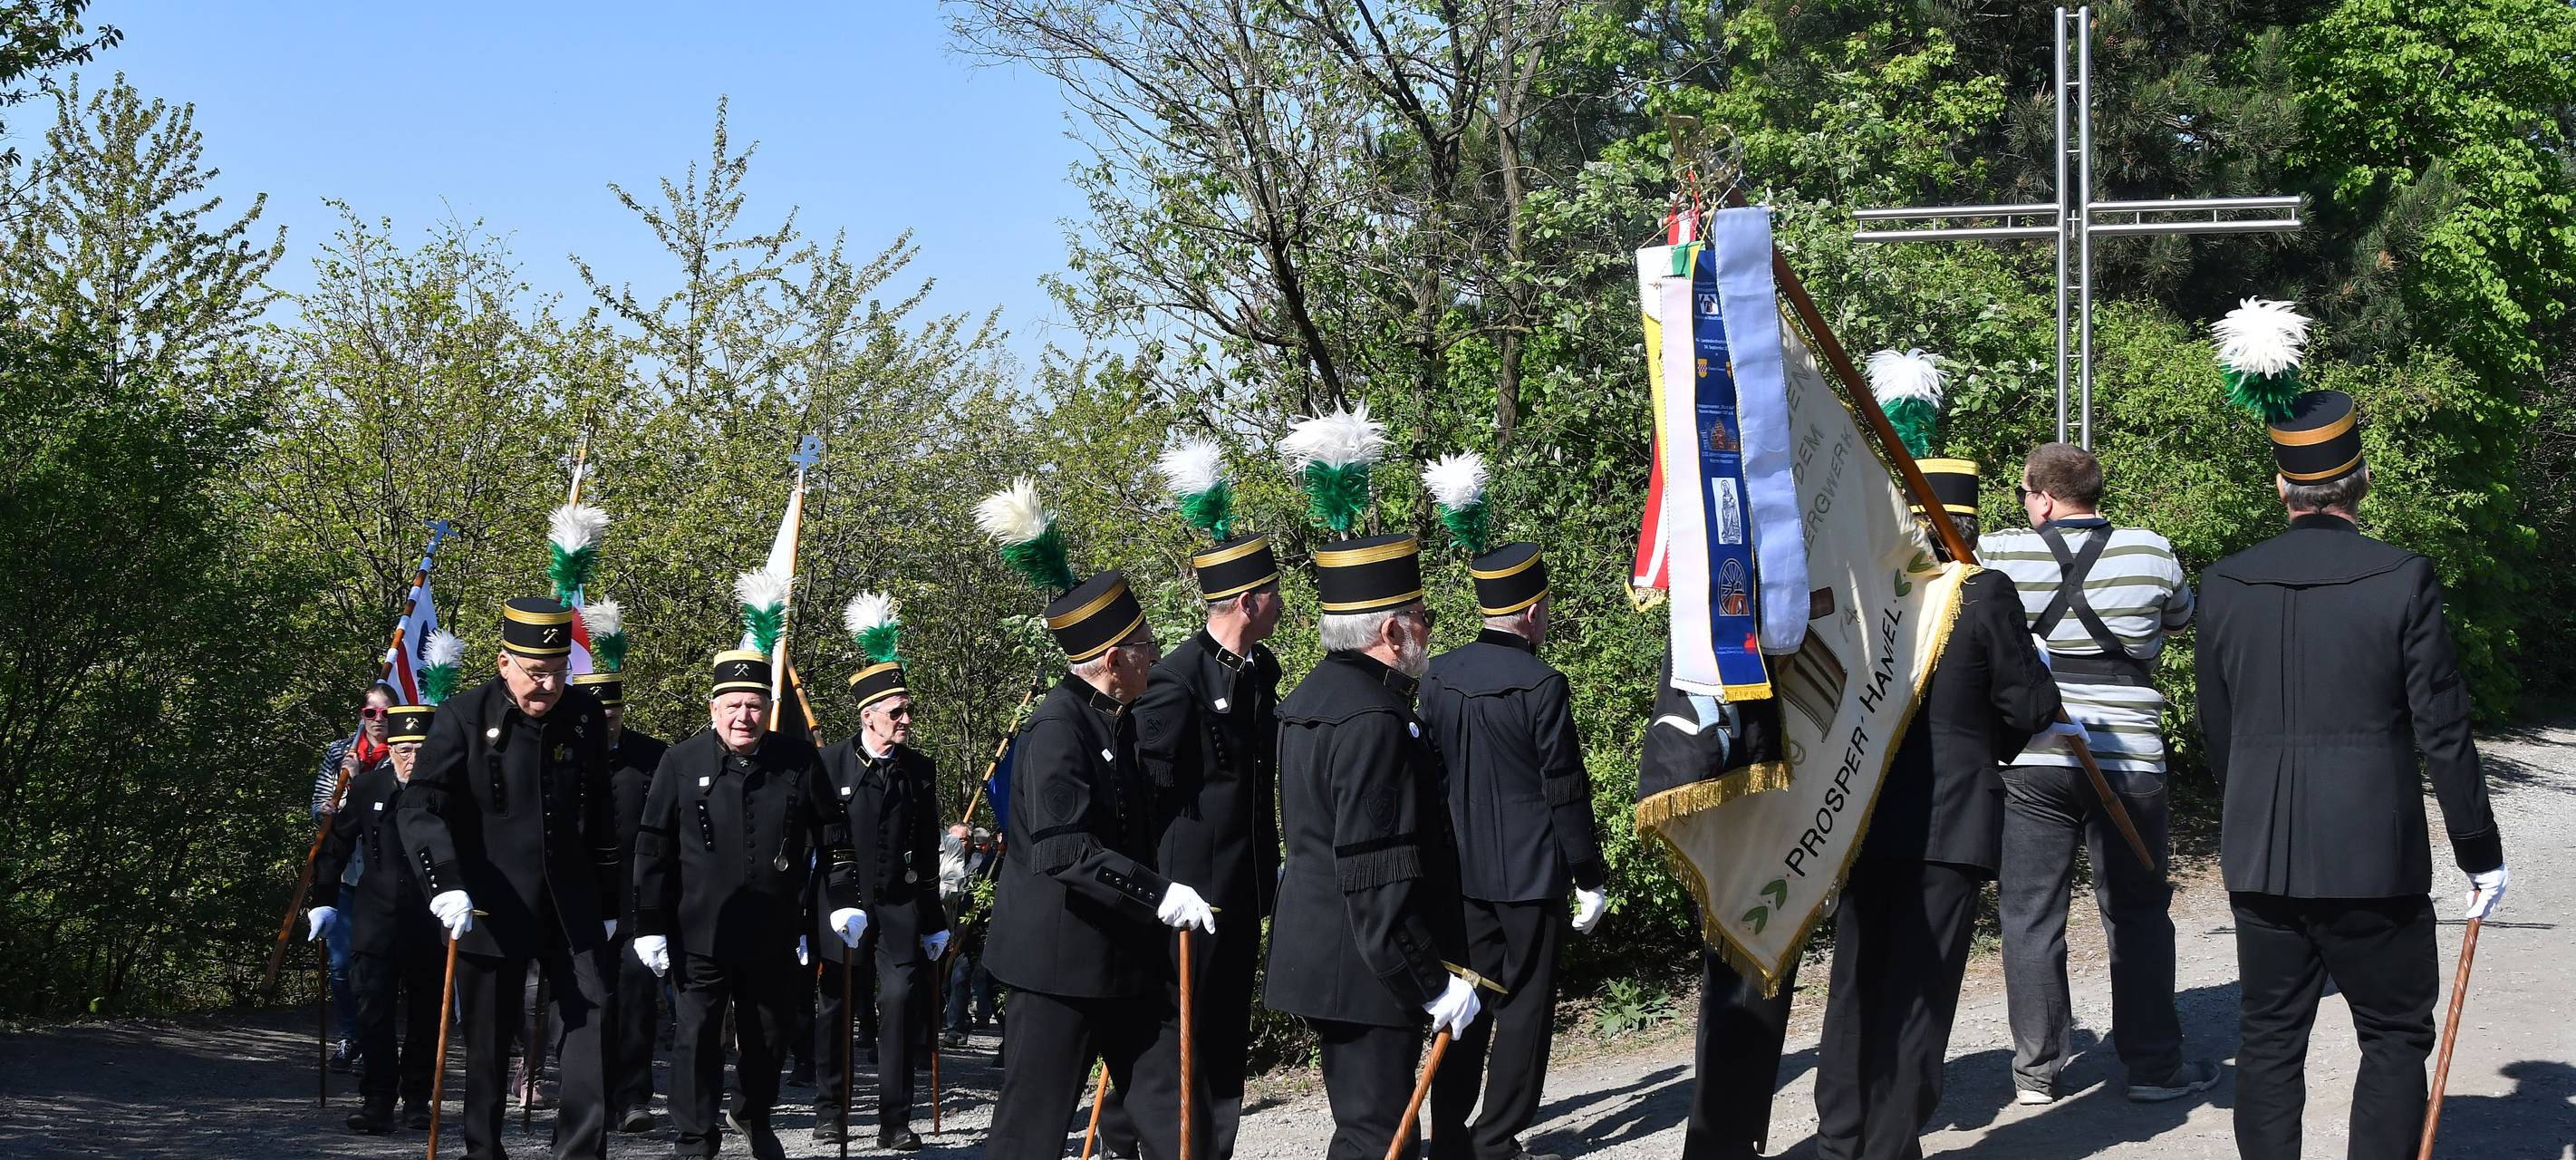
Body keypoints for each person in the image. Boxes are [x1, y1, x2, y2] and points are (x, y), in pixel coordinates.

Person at [2195, 377, 2509, 1160]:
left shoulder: (2224, 583)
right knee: (2395, 1034)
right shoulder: (2403, 576)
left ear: (2281, 487)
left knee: (2268, 1039)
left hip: (2261, 854)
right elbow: (2441, 726)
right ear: (2360, 480)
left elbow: (2217, 730)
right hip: (2373, 857)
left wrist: (2248, 819)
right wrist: (2479, 848)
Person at [1812, 460, 2063, 1160]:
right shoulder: (1983, 592)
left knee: (1857, 981)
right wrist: (1999, 735)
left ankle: (1840, 1137)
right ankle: (1888, 1146)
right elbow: (2029, 704)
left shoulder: (1874, 591)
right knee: (1918, 994)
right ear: (1969, 523)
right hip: (1948, 818)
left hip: (1863, 809)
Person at [1979, 442, 2215, 1104]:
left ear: (2044, 497)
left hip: (2031, 757)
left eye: (2025, 494)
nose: (2023, 505)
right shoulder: (2149, 549)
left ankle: (2035, 1073)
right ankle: (2151, 1068)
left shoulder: (1999, 553)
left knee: (2029, 913)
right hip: (2129, 759)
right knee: (2137, 912)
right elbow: (2179, 616)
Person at [977, 561, 1216, 1160]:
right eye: (1145, 646)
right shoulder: (1057, 728)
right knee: (1029, 1131)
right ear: (1112, 660)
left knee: (1179, 1113)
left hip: (1125, 961)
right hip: (1056, 967)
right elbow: (1065, 850)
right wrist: (1157, 893)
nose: (1156, 655)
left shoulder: (1116, 721)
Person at [1268, 532, 1481, 1160]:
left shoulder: (1315, 698)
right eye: (1423, 619)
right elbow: (1373, 870)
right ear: (1390, 630)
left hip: (1332, 952)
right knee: (1377, 1135)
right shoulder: (1372, 720)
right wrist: (1429, 982)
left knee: (1376, 1127)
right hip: (1365, 963)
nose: (1429, 632)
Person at [395, 596, 622, 1160]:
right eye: (536, 672)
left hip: (570, 903)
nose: (547, 685)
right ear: (504, 663)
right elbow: (421, 807)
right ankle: (483, 1149)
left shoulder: (585, 716)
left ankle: (577, 1150)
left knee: (593, 1020)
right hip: (489, 901)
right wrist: (444, 881)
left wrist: (610, 896)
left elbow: (598, 813)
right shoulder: (462, 718)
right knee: (490, 1045)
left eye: (558, 672)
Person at [629, 647, 866, 1160]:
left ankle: (754, 1114)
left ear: (768, 707)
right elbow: (653, 846)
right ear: (714, 709)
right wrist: (648, 922)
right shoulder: (680, 760)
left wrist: (844, 899)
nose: (744, 717)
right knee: (695, 1037)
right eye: (733, 705)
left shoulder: (799, 762)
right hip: (699, 931)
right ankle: (695, 1136)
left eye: (755, 705)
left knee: (769, 1034)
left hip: (773, 929)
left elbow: (834, 834)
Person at [1422, 539, 1606, 1160]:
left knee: (1464, 1003)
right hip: (1530, 878)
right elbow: (1564, 790)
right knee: (1524, 1010)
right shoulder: (1541, 684)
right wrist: (1589, 873)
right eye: (1546, 608)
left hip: (1461, 875)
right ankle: (1495, 1141)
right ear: (1531, 613)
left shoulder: (1439, 675)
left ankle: (1448, 1138)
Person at [1127, 503, 1285, 1160]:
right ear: (1246, 601)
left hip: (1242, 887)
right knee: (1173, 1035)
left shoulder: (1261, 671)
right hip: (1186, 894)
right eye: (1274, 592)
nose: (1282, 602)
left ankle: (1212, 1149)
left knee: (1224, 1035)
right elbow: (1140, 800)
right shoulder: (1173, 682)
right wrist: (1152, 889)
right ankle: (1135, 1142)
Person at [1635, 651, 1799, 1160]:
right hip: (1742, 794)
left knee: (1736, 979)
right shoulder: (1726, 609)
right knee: (1743, 975)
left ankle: (1729, 1138)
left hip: (1742, 794)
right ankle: (1724, 1142)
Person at [810, 594, 950, 1152]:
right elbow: (815, 843)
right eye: (897, 712)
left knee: (899, 1003)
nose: (906, 720)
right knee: (839, 1006)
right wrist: (811, 916)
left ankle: (895, 1118)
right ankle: (831, 1112)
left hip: (897, 908)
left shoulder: (919, 770)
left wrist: (934, 918)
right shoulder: (828, 765)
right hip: (840, 905)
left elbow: (927, 849)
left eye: (908, 710)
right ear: (867, 714)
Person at [309, 701, 448, 1134]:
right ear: (389, 750)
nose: (411, 758)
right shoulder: (368, 787)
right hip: (375, 915)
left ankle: (418, 1100)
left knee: (427, 1014)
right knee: (374, 1010)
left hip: (430, 919)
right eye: (403, 748)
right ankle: (377, 1099)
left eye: (420, 749)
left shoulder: (448, 792)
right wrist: (324, 901)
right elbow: (336, 845)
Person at [570, 662, 670, 1136]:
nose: (604, 720)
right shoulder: (561, 755)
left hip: (637, 904)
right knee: (590, 1004)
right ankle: (594, 1097)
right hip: (581, 903)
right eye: (595, 713)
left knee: (635, 1000)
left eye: (611, 711)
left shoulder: (653, 756)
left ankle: (633, 1097)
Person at [311, 681, 398, 1072]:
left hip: (385, 874)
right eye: (370, 713)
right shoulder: (337, 752)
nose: (378, 720)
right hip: (346, 872)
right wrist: (333, 803)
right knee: (341, 963)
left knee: (382, 964)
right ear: (360, 715)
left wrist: (362, 778)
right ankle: (352, 1034)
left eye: (385, 713)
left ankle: (379, 1039)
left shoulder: (405, 751)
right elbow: (319, 807)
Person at [940, 825, 999, 1044]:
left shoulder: (982, 863)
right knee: (949, 980)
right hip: (947, 928)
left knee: (967, 977)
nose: (959, 844)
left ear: (971, 841)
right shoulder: (943, 860)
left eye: (963, 840)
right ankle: (960, 1021)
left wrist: (969, 921)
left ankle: (957, 1028)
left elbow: (978, 894)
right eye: (954, 839)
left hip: (974, 930)